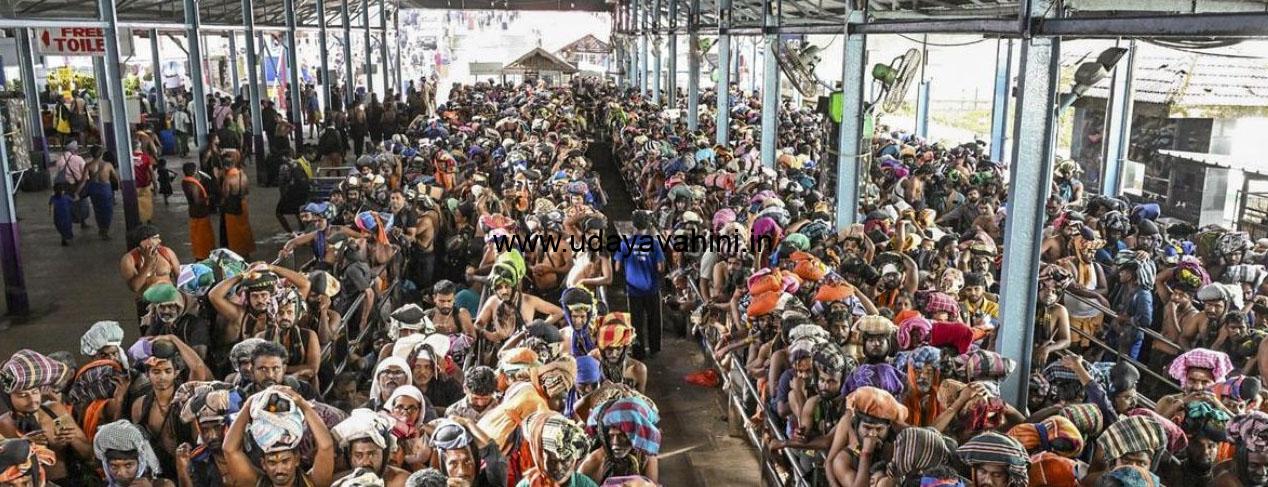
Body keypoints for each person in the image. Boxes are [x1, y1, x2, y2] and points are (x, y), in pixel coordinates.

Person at [222, 387, 336, 487]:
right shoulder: (254, 483)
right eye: (272, 463)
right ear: (263, 464)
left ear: (297, 459)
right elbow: (229, 449)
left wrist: (302, 404)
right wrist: (249, 405)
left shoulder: (313, 483)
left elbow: (326, 446)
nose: (279, 470)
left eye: (285, 461)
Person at [613, 222, 665, 360]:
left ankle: (638, 352)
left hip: (633, 290)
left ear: (634, 226)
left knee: (636, 322)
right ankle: (654, 349)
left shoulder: (625, 243)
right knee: (654, 320)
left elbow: (617, 267)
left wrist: (627, 273)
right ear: (647, 227)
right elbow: (660, 267)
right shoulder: (654, 243)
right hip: (652, 289)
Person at [121, 225, 182, 318]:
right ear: (145, 241)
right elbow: (135, 287)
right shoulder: (129, 259)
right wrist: (147, 265)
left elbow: (180, 278)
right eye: (155, 238)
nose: (159, 241)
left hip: (170, 301)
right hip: (147, 304)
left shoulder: (167, 252)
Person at [221, 151, 256, 259]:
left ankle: (237, 253)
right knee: (245, 229)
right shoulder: (242, 175)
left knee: (234, 233)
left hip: (232, 208)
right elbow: (247, 190)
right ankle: (246, 252)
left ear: (226, 166)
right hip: (243, 205)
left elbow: (225, 194)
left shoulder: (228, 178)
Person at [82, 145, 119, 240]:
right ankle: (105, 231)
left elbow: (83, 181)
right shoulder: (108, 165)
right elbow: (115, 178)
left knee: (97, 210)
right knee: (108, 210)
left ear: (91, 154)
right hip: (105, 189)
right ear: (101, 154)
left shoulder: (88, 165)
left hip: (94, 189)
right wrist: (119, 186)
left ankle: (101, 228)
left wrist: (77, 192)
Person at [181, 162, 216, 260]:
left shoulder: (185, 182)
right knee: (203, 236)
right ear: (194, 171)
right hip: (200, 213)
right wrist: (208, 198)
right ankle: (203, 254)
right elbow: (197, 201)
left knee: (197, 235)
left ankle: (201, 253)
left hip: (194, 213)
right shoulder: (193, 185)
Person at [50, 182, 75, 246]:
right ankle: (66, 239)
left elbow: (50, 206)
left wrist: (50, 212)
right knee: (66, 227)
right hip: (65, 216)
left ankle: (64, 239)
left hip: (59, 217)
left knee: (62, 228)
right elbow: (74, 201)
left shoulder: (53, 198)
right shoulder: (66, 197)